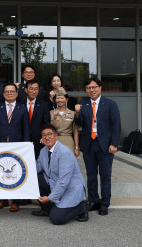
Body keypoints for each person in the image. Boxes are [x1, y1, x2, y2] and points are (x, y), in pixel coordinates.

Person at [75, 78, 121, 216]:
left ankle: (105, 202)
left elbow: (116, 125)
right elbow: (80, 123)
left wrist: (114, 144)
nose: (92, 90)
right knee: (91, 175)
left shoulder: (110, 104)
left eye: (94, 87)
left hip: (105, 146)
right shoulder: (82, 104)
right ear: (86, 90)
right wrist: (77, 113)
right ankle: (94, 200)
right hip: (89, 145)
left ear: (100, 88)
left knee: (105, 175)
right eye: (89, 88)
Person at [0, 83, 30, 212]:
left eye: (12, 91)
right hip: (1, 143)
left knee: (16, 172)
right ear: (3, 94)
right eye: (7, 91)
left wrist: (26, 144)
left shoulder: (22, 108)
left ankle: (16, 202)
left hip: (18, 145)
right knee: (1, 171)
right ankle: (2, 199)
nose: (9, 93)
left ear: (16, 93)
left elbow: (26, 127)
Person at [31, 124, 88, 224]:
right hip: (54, 182)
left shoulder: (64, 153)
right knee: (35, 178)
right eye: (44, 135)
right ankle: (47, 209)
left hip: (70, 188)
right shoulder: (43, 150)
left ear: (56, 135)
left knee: (56, 219)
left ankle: (81, 207)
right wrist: (29, 151)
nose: (47, 137)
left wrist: (50, 198)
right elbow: (37, 169)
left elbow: (63, 181)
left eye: (49, 134)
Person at [50, 87, 80, 157]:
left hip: (68, 141)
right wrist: (54, 117)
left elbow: (75, 131)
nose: (60, 100)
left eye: (62, 98)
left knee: (68, 163)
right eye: (58, 98)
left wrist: (76, 148)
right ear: (55, 100)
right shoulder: (51, 113)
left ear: (66, 100)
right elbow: (52, 128)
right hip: (55, 141)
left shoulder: (72, 113)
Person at [25, 79, 50, 160]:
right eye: (31, 89)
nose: (33, 91)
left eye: (36, 89)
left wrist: (44, 137)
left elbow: (46, 123)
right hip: (23, 140)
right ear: (26, 90)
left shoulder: (44, 105)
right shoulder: (20, 104)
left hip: (38, 141)